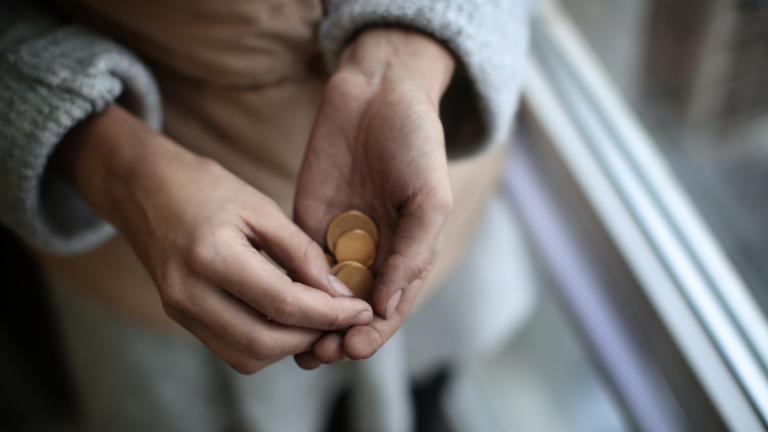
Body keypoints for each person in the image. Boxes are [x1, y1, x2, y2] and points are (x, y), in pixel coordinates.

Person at [0, 0, 539, 430]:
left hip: (432, 181)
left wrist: (407, 54)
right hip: (146, 247)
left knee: (423, 396)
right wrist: (111, 165)